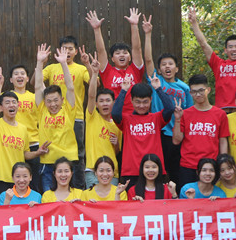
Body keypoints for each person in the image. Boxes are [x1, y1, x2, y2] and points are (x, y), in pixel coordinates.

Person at [143, 15, 191, 185]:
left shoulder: (185, 88)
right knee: (159, 170)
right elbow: (148, 60)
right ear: (159, 69)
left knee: (177, 171)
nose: (167, 66)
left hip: (177, 134)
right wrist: (148, 34)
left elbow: (189, 112)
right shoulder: (157, 81)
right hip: (160, 132)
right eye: (163, 64)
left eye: (170, 64)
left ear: (177, 68)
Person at [41, 35, 90, 188]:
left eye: (70, 49)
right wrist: (41, 63)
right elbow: (36, 81)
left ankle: (78, 187)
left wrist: (88, 64)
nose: (67, 52)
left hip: (75, 116)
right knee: (55, 155)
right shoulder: (51, 68)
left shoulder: (81, 69)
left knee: (77, 155)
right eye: (64, 49)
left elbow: (94, 82)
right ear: (59, 50)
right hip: (53, 117)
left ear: (76, 51)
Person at [0, 84, 46, 195]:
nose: (11, 105)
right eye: (7, 103)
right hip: (1, 178)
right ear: (1, 107)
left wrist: (37, 153)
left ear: (18, 105)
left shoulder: (23, 129)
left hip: (20, 181)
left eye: (14, 102)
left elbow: (25, 153)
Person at [113, 74, 175, 186]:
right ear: (131, 100)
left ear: (151, 100)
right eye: (137, 102)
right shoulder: (126, 120)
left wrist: (158, 89)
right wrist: (123, 91)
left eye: (145, 102)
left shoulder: (156, 118)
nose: (141, 106)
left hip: (154, 171)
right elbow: (115, 113)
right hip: (131, 171)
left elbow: (170, 108)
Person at [173, 74, 229, 188]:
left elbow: (223, 141)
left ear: (208, 90)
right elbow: (176, 141)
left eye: (201, 91)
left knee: (212, 197)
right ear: (190, 93)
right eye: (194, 92)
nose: (198, 95)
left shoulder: (220, 114)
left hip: (211, 167)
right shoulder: (185, 114)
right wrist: (177, 119)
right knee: (187, 196)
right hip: (188, 166)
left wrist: (223, 165)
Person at [87, 8, 146, 116]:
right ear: (113, 59)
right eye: (117, 53)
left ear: (130, 57)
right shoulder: (107, 71)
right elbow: (101, 51)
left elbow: (137, 49)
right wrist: (96, 29)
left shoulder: (135, 69)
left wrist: (134, 25)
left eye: (125, 53)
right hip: (112, 117)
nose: (122, 55)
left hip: (133, 116)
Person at [35, 44, 77, 192]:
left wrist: (64, 64)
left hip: (68, 161)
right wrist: (39, 62)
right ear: (45, 102)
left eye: (55, 100)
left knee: (70, 198)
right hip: (48, 162)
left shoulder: (68, 109)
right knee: (49, 198)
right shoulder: (42, 110)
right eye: (49, 101)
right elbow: (38, 86)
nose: (52, 104)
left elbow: (70, 87)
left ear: (62, 100)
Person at [0, 64, 41, 187]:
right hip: (13, 145)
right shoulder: (7, 97)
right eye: (16, 74)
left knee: (34, 183)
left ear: (27, 78)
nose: (19, 76)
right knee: (16, 182)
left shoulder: (34, 97)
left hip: (33, 144)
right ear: (11, 79)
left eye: (22, 73)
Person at [82, 52, 121, 188]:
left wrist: (116, 144)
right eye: (101, 101)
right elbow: (91, 95)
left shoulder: (118, 124)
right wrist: (94, 73)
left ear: (113, 103)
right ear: (96, 104)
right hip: (92, 170)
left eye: (108, 101)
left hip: (112, 172)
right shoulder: (92, 116)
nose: (105, 104)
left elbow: (117, 151)